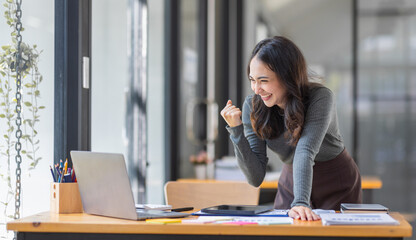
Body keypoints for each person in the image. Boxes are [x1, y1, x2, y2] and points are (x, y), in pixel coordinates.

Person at [220, 36, 362, 221]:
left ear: (287, 76)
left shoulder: (321, 97)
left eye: (263, 80)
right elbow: (255, 177)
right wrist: (236, 131)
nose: (256, 89)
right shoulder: (253, 106)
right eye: (252, 80)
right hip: (292, 180)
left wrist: (301, 202)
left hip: (335, 181)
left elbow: (305, 150)